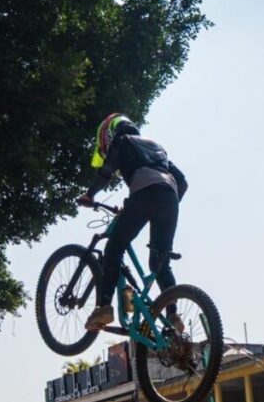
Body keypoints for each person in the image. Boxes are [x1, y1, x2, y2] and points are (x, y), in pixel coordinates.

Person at [77, 113, 187, 332]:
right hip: (170, 199)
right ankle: (174, 316)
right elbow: (182, 181)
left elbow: (106, 172)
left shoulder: (122, 141)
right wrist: (163, 203)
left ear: (109, 133)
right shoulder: (157, 148)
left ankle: (104, 307)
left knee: (114, 247)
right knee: (160, 261)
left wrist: (90, 195)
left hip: (144, 196)